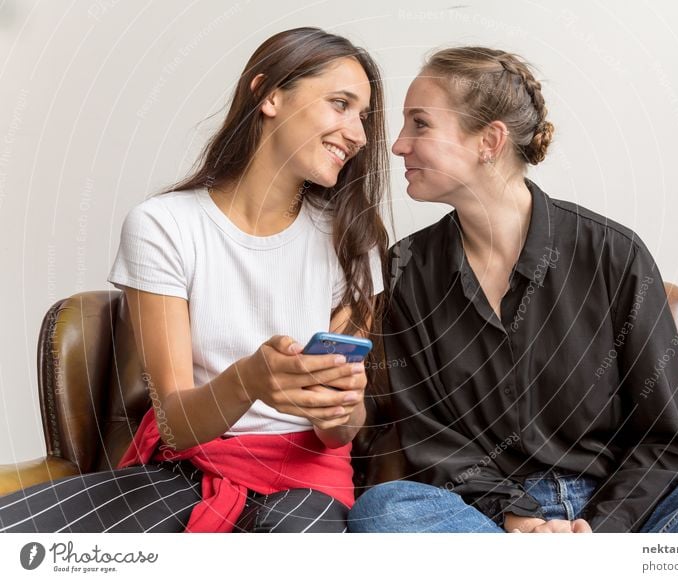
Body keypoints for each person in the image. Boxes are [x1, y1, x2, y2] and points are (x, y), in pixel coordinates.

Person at [347, 46, 678, 533]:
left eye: (420, 123)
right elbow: (431, 435)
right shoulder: (409, 267)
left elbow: (664, 437)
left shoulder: (612, 253)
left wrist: (598, 534)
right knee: (388, 507)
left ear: (489, 141)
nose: (397, 145)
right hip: (489, 523)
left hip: (630, 517)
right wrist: (518, 519)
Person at [0, 27, 388, 533]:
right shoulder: (164, 226)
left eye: (363, 117)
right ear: (268, 94)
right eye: (341, 104)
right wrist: (250, 380)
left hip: (306, 479)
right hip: (190, 464)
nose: (358, 134)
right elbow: (177, 426)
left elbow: (341, 436)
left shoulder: (352, 239)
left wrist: (340, 409)